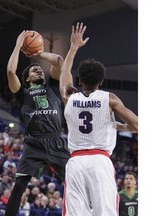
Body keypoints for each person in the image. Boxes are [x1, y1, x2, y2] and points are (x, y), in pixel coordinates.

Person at [59, 22, 138, 216]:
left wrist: (73, 47)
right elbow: (137, 125)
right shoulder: (109, 98)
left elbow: (64, 74)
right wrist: (117, 126)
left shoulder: (70, 97)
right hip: (100, 161)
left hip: (76, 162)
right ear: (101, 81)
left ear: (80, 80)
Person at [4, 30, 70, 216]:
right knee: (19, 186)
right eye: (34, 70)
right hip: (34, 142)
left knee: (74, 183)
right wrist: (18, 45)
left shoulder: (52, 87)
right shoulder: (22, 93)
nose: (39, 69)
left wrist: (38, 54)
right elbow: (10, 71)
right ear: (27, 78)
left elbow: (58, 61)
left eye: (39, 68)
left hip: (56, 140)